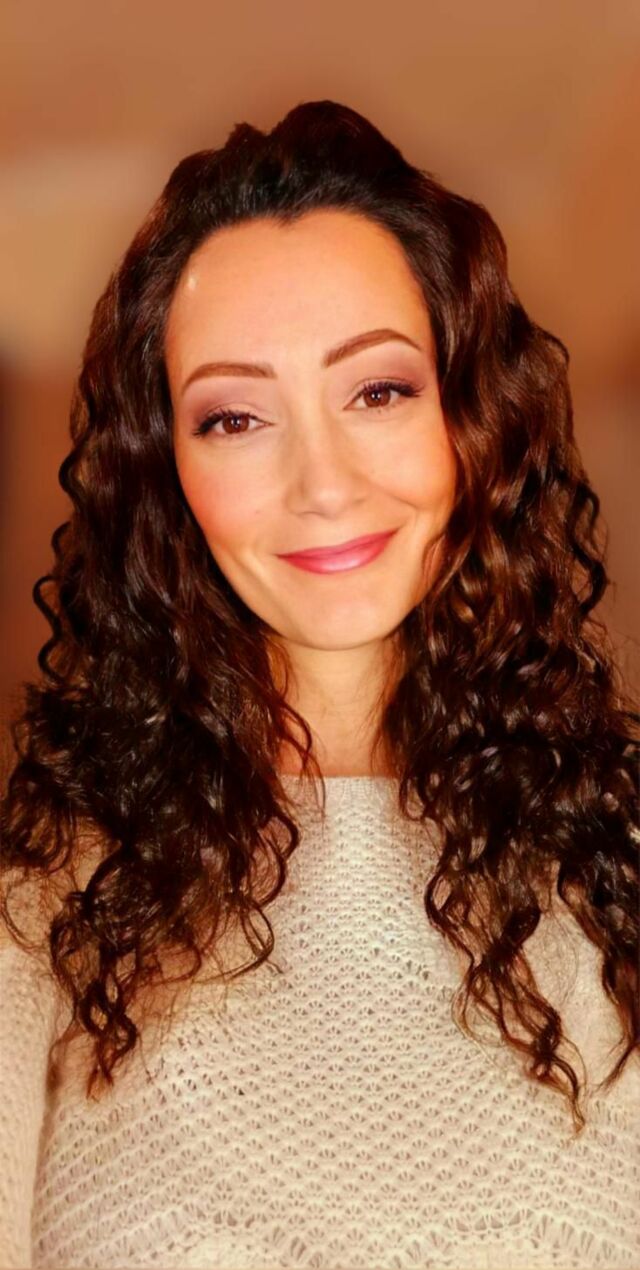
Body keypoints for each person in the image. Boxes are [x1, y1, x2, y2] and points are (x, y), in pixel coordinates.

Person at [1, 98, 638, 1270]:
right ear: (166, 472)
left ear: (472, 419)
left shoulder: (620, 885)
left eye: (377, 391)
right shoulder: (41, 912)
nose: (323, 484)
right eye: (236, 416)